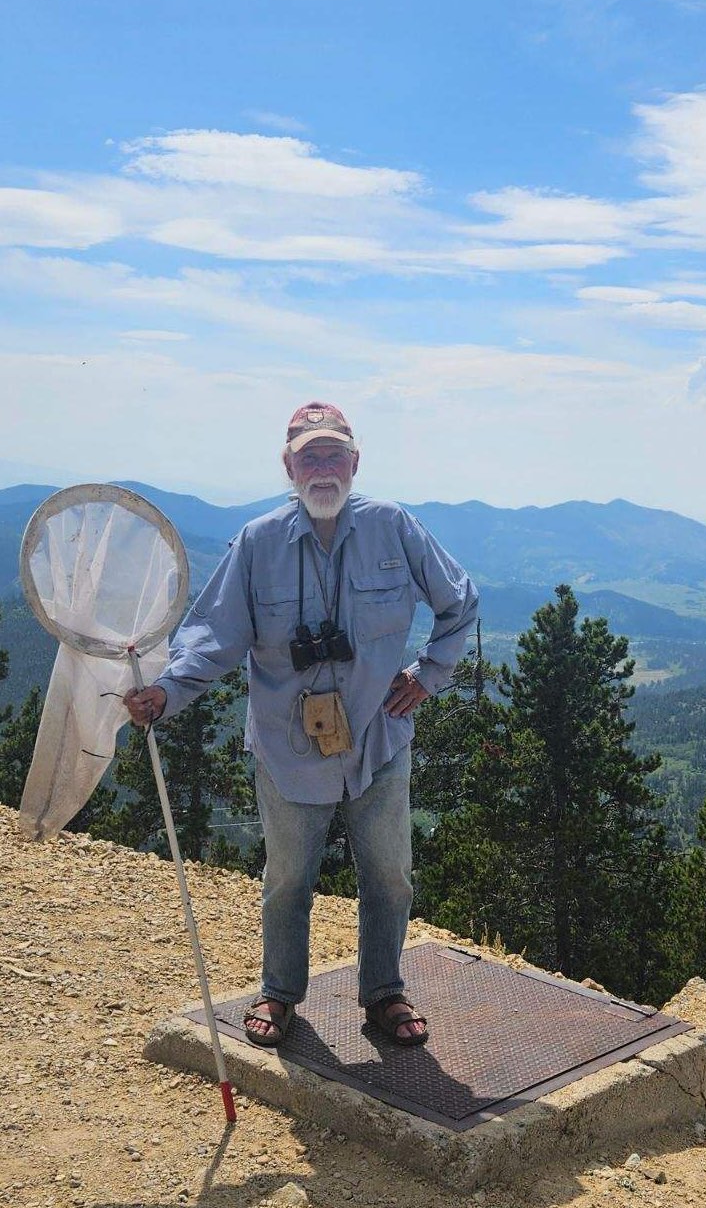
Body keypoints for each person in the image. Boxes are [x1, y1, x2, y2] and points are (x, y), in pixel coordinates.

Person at [124, 402, 478, 1048]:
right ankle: (279, 993)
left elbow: (459, 600)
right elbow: (214, 635)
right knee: (288, 879)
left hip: (377, 736)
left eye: (333, 454)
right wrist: (166, 692)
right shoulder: (258, 541)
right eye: (308, 456)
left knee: (389, 876)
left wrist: (428, 675)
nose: (322, 467)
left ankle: (384, 993)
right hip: (289, 745)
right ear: (287, 465)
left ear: (355, 461)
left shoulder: (393, 526)